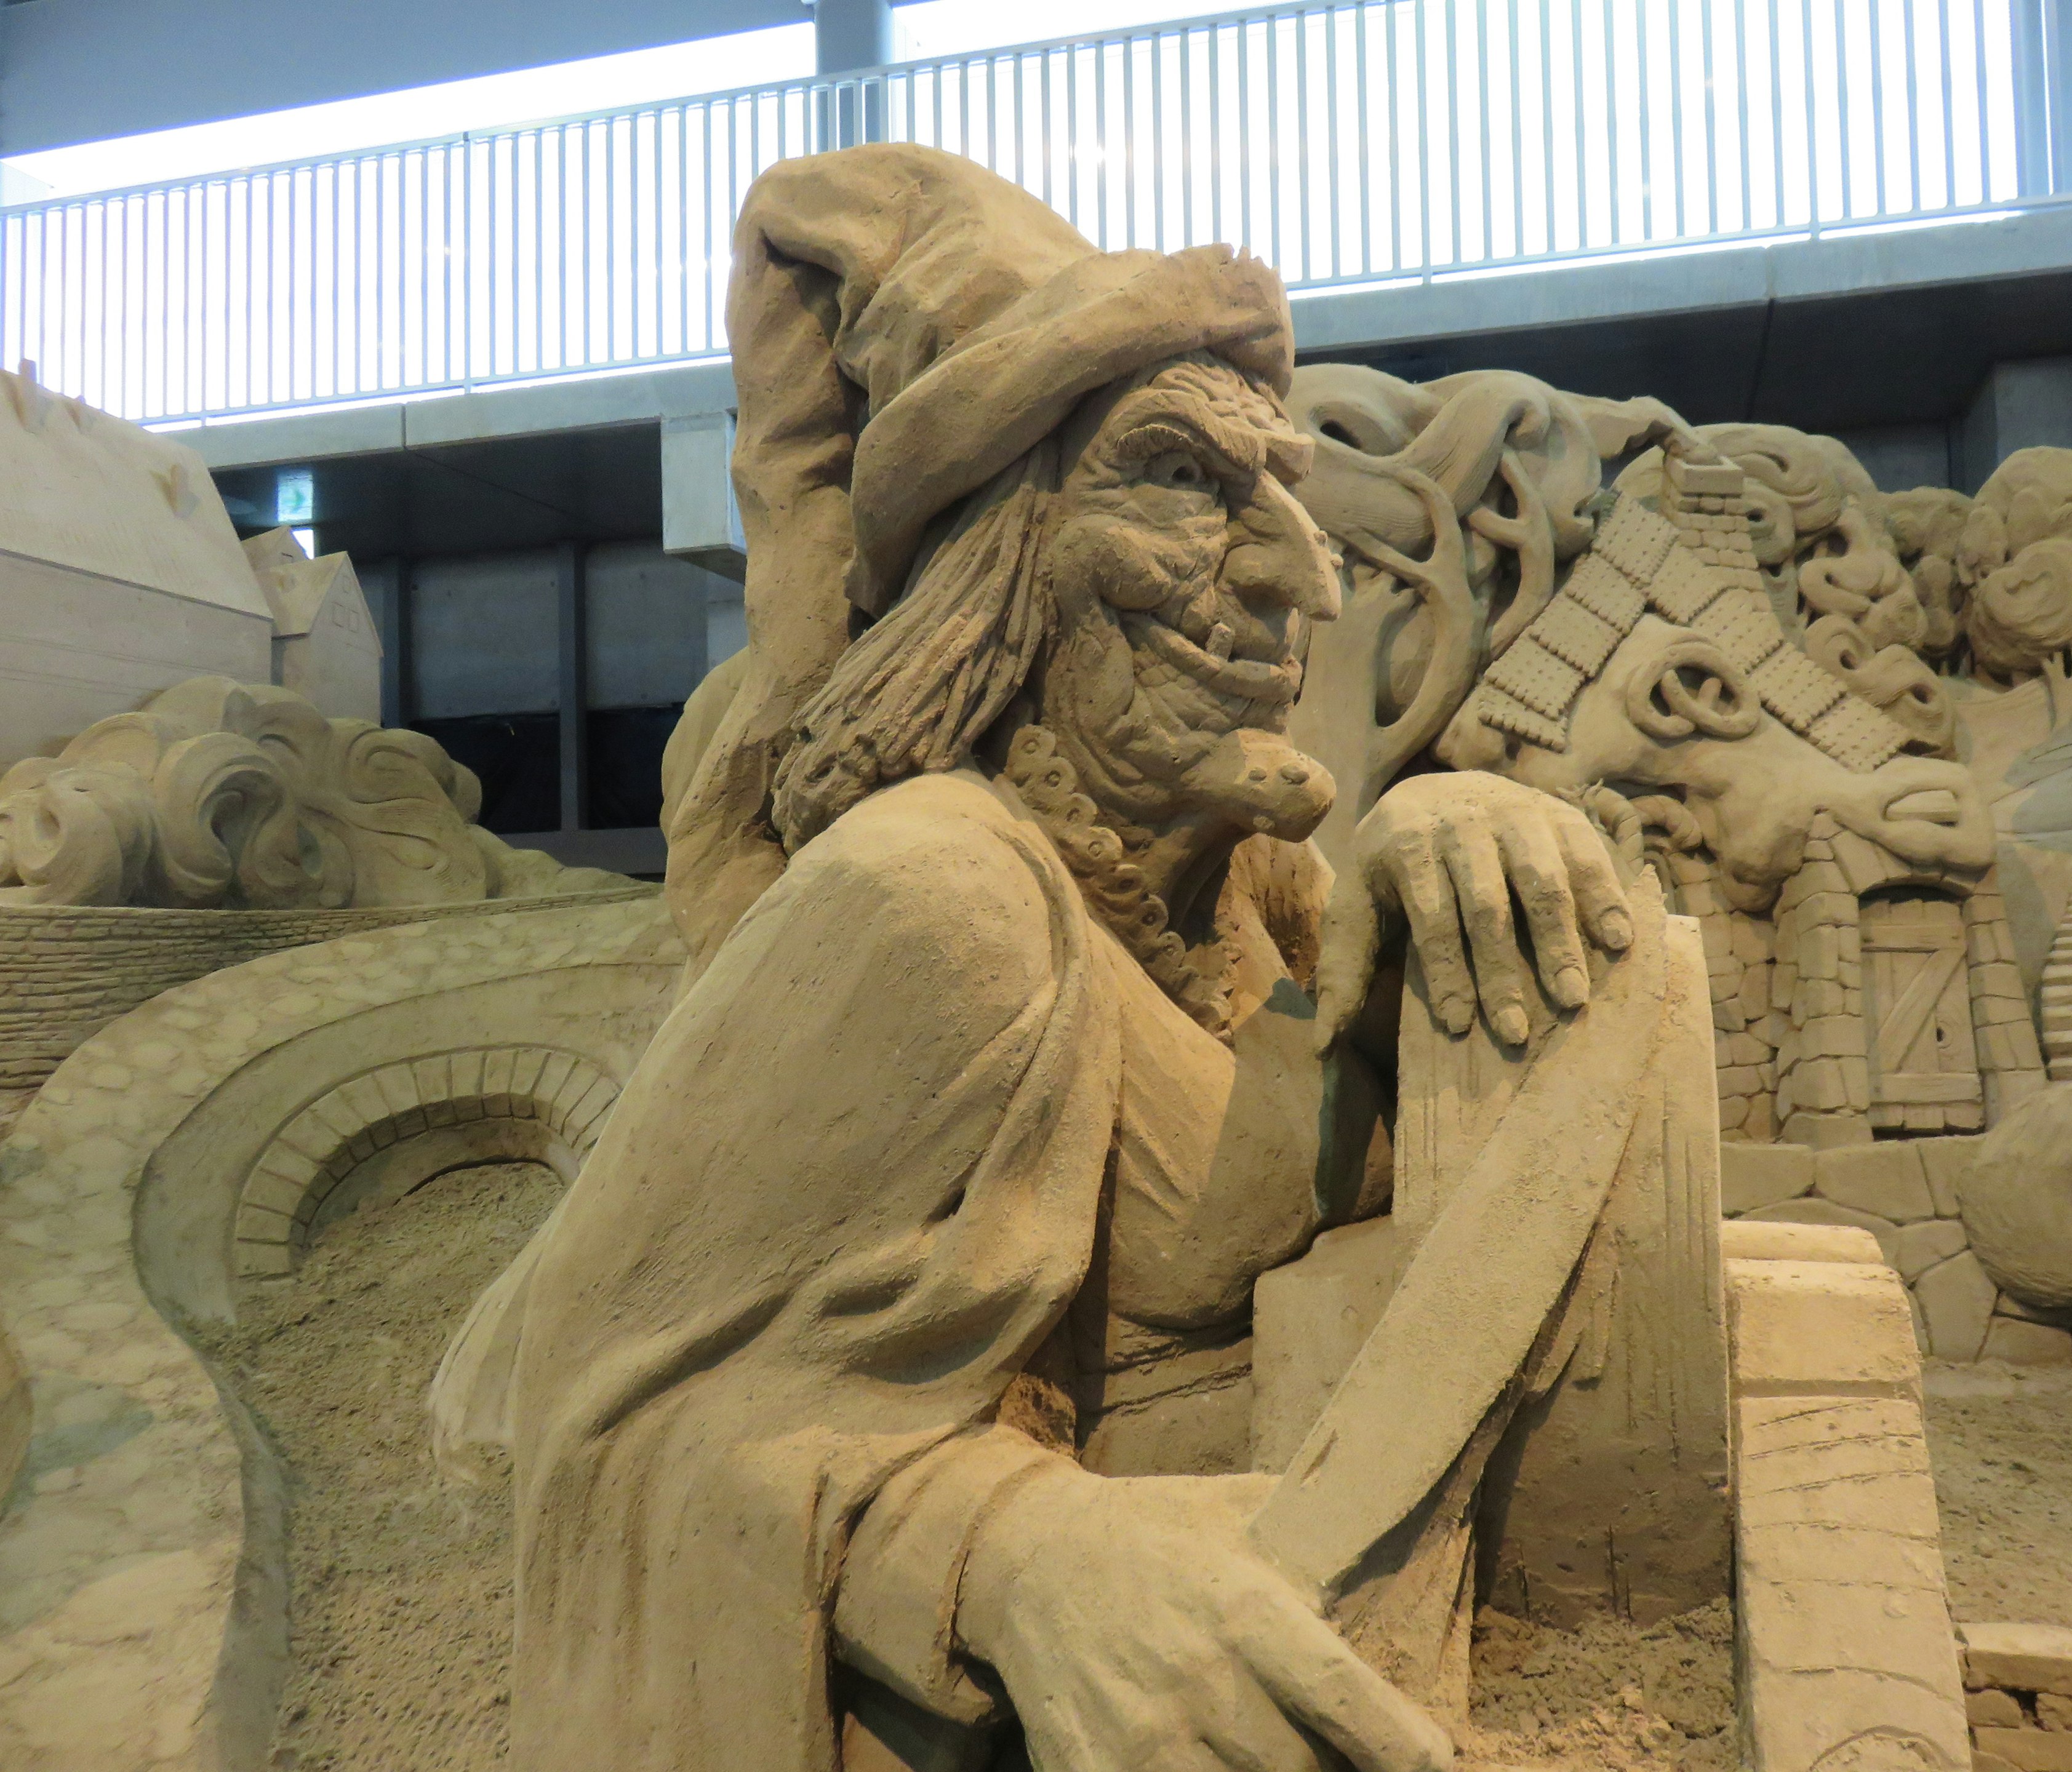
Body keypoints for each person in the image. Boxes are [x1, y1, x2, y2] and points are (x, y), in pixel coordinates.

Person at [499, 145, 1630, 1772]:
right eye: (1179, 480)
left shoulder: (1243, 894)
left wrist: (1442, 832)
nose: (1302, 577)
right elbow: (614, 1418)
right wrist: (1016, 1555)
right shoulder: (932, 901)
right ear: (998, 565)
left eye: (1284, 495)